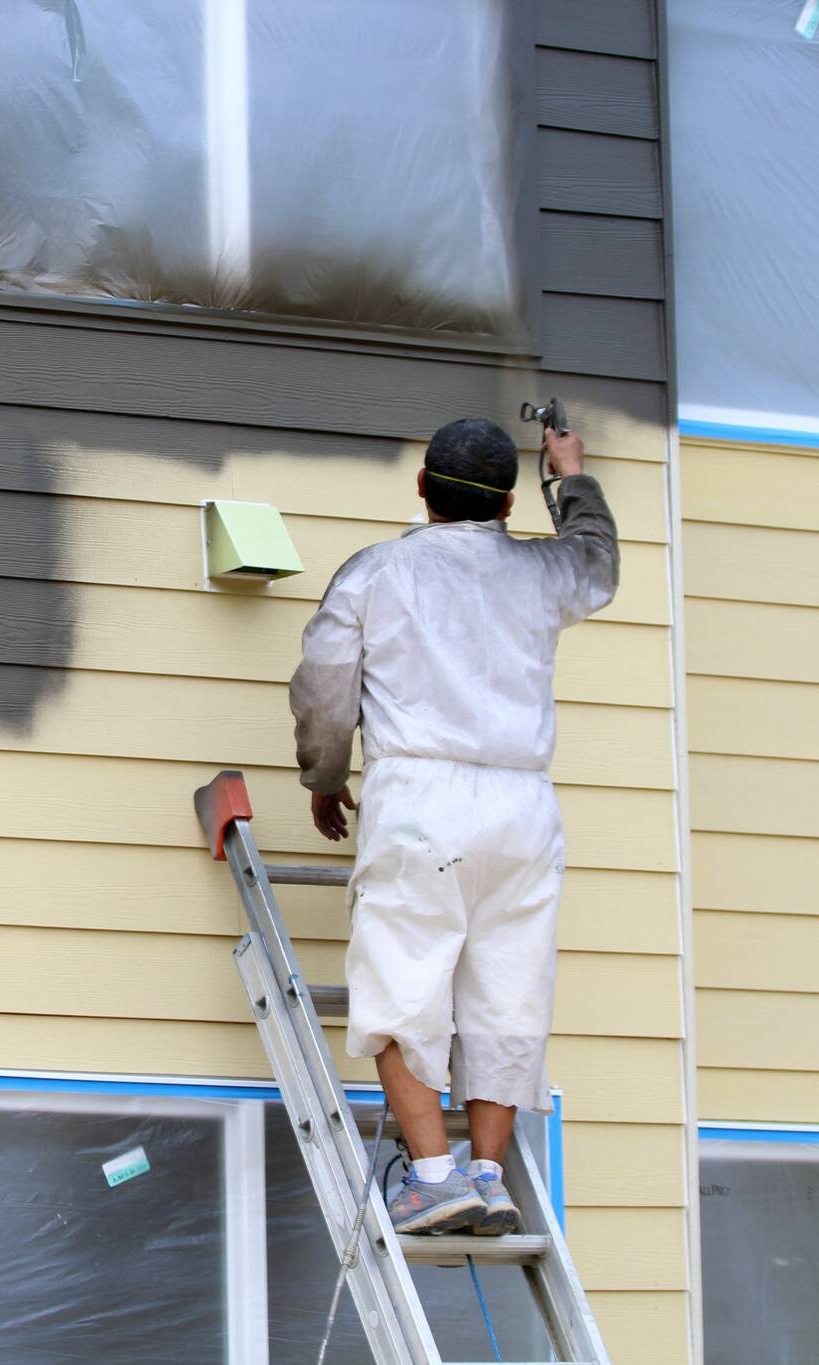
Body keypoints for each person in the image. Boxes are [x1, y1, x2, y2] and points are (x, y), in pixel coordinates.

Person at [288, 416, 617, 1236]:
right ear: (507, 502)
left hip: (419, 800)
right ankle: (489, 1174)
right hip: (523, 804)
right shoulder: (542, 572)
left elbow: (326, 689)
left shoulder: (377, 571)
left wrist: (327, 778)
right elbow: (597, 561)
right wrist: (570, 477)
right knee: (510, 988)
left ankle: (433, 1176)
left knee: (401, 983)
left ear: (422, 488)